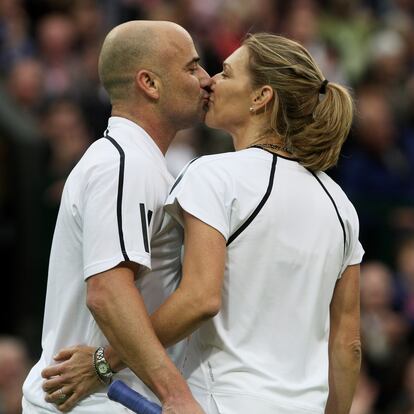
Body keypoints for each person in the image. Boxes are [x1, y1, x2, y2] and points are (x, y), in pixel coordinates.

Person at [43, 33, 363, 414]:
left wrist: (103, 362)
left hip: (222, 401)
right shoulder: (341, 205)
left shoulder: (214, 175)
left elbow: (199, 299)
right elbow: (348, 346)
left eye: (226, 73)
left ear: (261, 97)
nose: (210, 80)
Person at [22, 20, 211, 414]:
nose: (206, 80)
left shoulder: (136, 161)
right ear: (150, 84)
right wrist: (176, 394)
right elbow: (108, 293)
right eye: (191, 68)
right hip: (93, 402)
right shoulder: (125, 164)